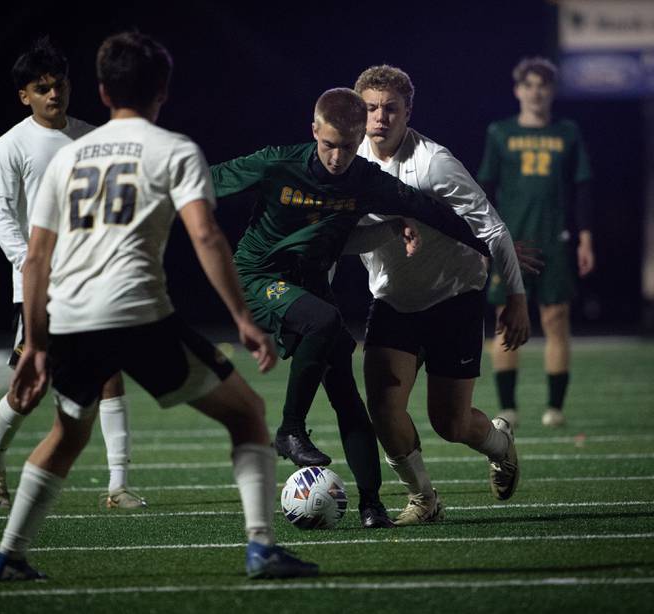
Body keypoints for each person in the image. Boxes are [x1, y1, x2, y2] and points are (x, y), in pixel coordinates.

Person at [0, 31, 318, 582]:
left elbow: (36, 259)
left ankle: (7, 556)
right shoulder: (174, 149)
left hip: (70, 317)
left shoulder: (69, 156)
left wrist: (37, 343)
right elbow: (207, 238)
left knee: (67, 433)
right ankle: (261, 547)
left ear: (100, 90)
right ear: (162, 90)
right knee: (248, 414)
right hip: (138, 315)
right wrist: (241, 318)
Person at [211, 87, 492, 528]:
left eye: (347, 146)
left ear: (360, 137)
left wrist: (493, 245)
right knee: (326, 322)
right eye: (328, 145)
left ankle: (371, 504)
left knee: (346, 391)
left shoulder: (365, 178)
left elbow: (434, 212)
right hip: (259, 278)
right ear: (313, 131)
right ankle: (290, 430)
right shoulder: (277, 161)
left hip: (309, 288)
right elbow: (200, 184)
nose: (337, 157)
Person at [338, 64, 527, 525]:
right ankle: (424, 498)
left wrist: (516, 298)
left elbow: (492, 227)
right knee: (383, 408)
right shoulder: (346, 161)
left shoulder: (434, 163)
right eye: (370, 108)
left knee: (451, 424)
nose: (380, 118)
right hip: (392, 300)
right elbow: (341, 237)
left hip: (453, 296)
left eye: (390, 109)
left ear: (408, 113)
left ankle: (500, 444)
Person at [0, 38, 145, 512]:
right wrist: (30, 264)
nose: (54, 94)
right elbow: (2, 216)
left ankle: (118, 485)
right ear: (25, 96)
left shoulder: (94, 138)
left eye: (60, 85)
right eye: (43, 88)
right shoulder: (10, 145)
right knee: (29, 387)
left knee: (110, 374)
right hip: (40, 285)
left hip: (91, 279)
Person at [478, 57, 595, 429]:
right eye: (528, 85)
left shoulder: (567, 132)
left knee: (556, 319)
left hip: (555, 239)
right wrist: (485, 241)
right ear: (517, 90)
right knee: (505, 321)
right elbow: (485, 190)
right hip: (511, 242)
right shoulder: (500, 132)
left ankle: (555, 408)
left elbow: (582, 188)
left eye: (542, 85)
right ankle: (508, 407)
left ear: (552, 90)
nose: (535, 91)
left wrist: (585, 239)